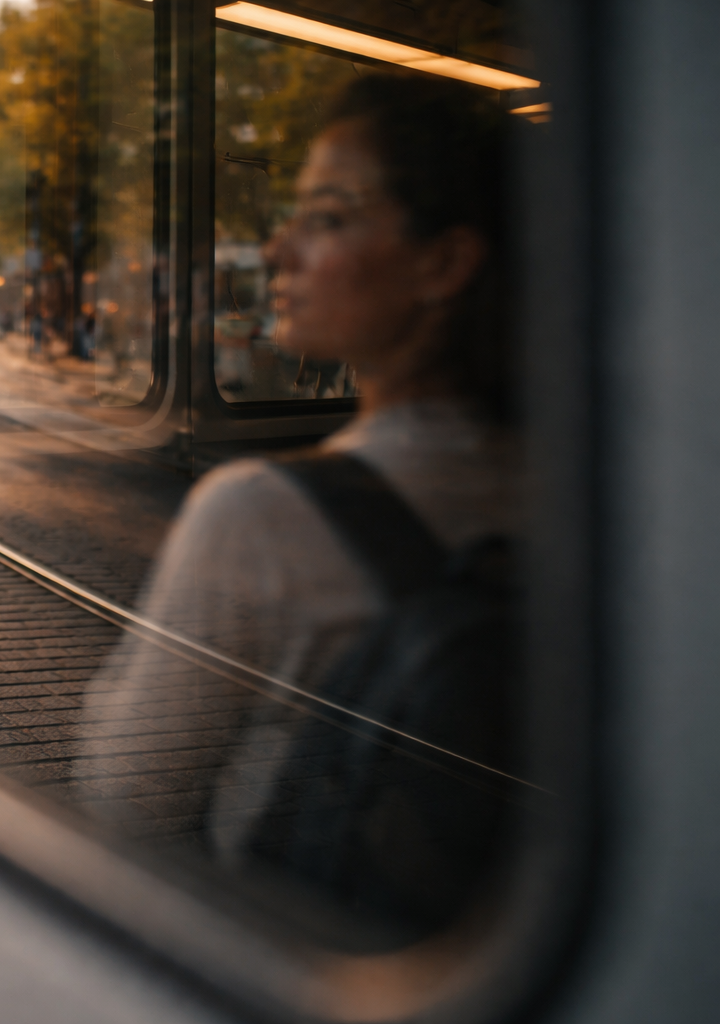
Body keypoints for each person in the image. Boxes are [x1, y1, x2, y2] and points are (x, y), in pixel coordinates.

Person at [83, 74, 518, 937]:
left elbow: (127, 807)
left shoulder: (258, 517)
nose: (280, 249)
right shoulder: (598, 493)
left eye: (327, 217)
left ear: (444, 261)